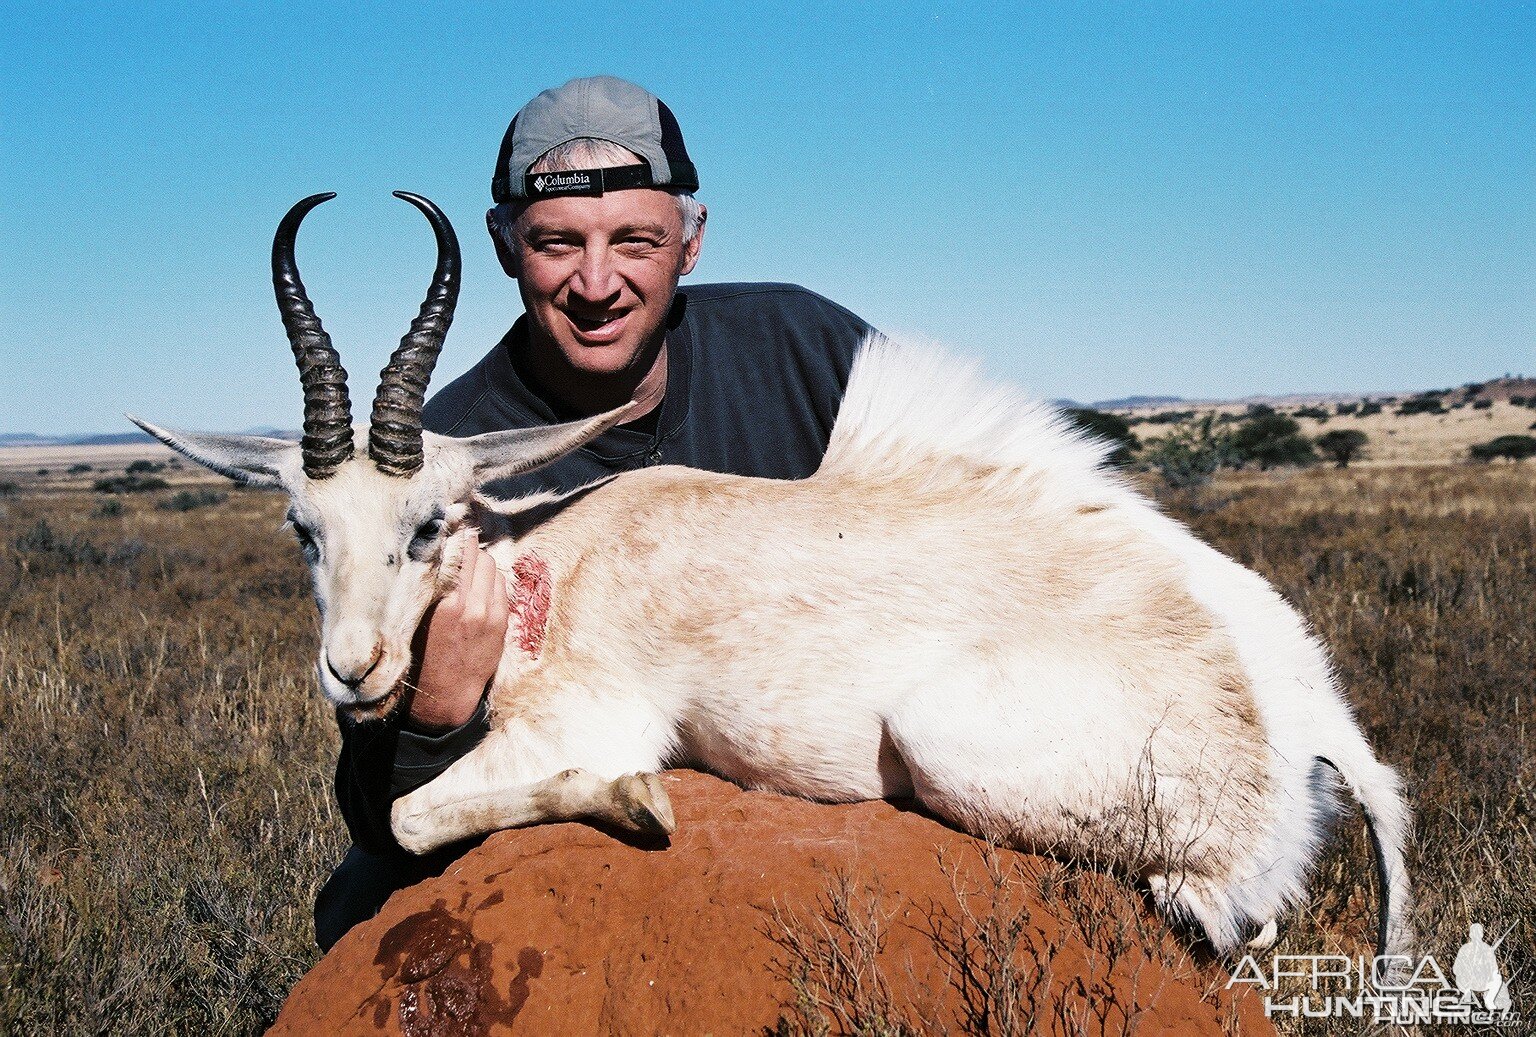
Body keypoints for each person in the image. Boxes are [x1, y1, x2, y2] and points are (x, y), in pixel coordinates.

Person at [314, 76, 876, 950]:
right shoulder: (439, 459)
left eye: (635, 240)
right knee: (361, 905)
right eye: (557, 243)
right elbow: (376, 804)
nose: (597, 281)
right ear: (506, 246)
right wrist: (438, 713)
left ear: (690, 243)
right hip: (595, 793)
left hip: (834, 735)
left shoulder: (806, 346)